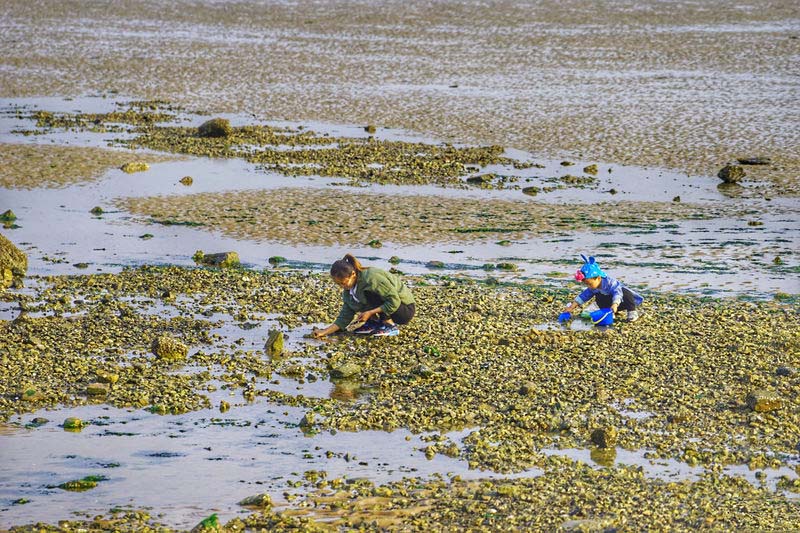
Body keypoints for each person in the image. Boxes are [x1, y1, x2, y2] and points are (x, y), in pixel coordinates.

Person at [312, 254, 415, 338]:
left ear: (353, 274)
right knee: (357, 299)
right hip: (392, 306)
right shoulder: (348, 290)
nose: (342, 287)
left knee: (369, 293)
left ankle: (389, 325)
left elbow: (394, 301)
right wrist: (324, 332)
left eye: (343, 283)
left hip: (404, 310)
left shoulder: (370, 278)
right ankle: (374, 324)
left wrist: (370, 313)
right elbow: (345, 315)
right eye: (338, 284)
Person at [560, 255, 642, 322]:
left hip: (622, 301)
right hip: (610, 305)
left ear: (598, 278)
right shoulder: (593, 287)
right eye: (586, 284)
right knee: (598, 297)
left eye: (589, 284)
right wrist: (571, 307)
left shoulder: (610, 283)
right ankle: (608, 313)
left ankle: (632, 312)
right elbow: (584, 296)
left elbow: (618, 293)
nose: (588, 286)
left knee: (625, 292)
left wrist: (615, 304)